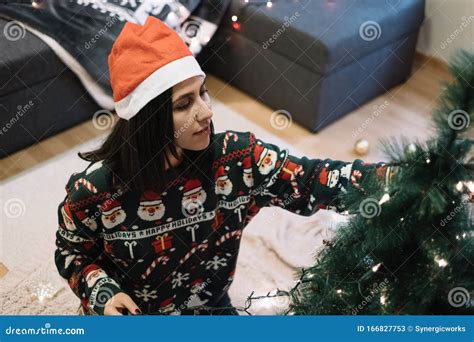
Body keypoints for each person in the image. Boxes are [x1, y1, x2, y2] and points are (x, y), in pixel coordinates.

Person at [54, 17, 392, 316]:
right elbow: (72, 254)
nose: (206, 112)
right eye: (184, 104)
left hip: (211, 312)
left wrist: (401, 178)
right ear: (147, 120)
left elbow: (313, 180)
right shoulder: (93, 191)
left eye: (203, 93)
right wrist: (102, 294)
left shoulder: (238, 160)